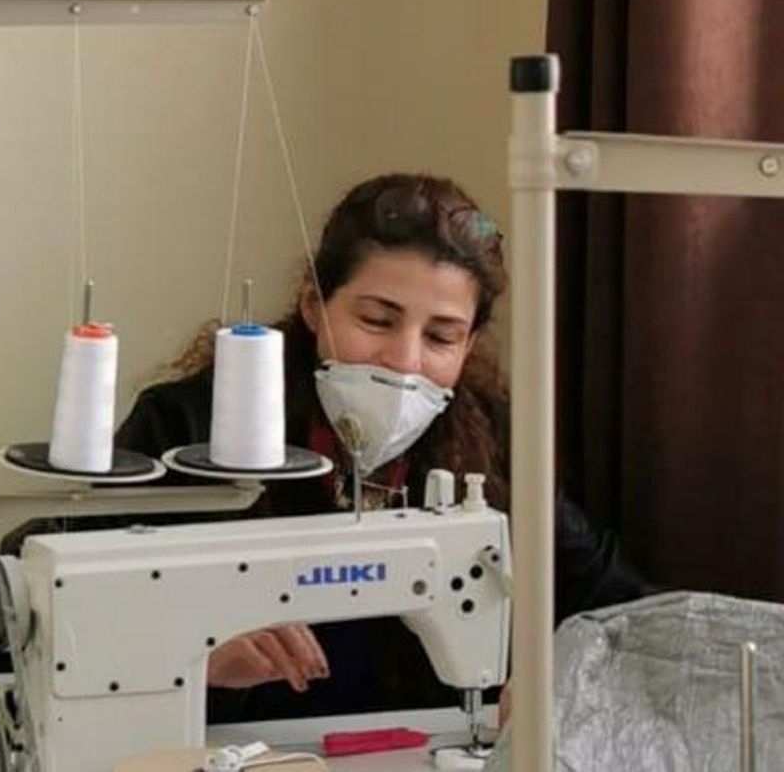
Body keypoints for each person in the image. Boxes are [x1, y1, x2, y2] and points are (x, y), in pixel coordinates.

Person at [112, 173, 651, 724]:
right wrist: (189, 659)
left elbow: (625, 609)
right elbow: (66, 626)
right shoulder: (184, 429)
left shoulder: (496, 445)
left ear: (468, 345)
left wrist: (564, 680)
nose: (405, 360)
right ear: (313, 305)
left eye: (441, 337)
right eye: (376, 320)